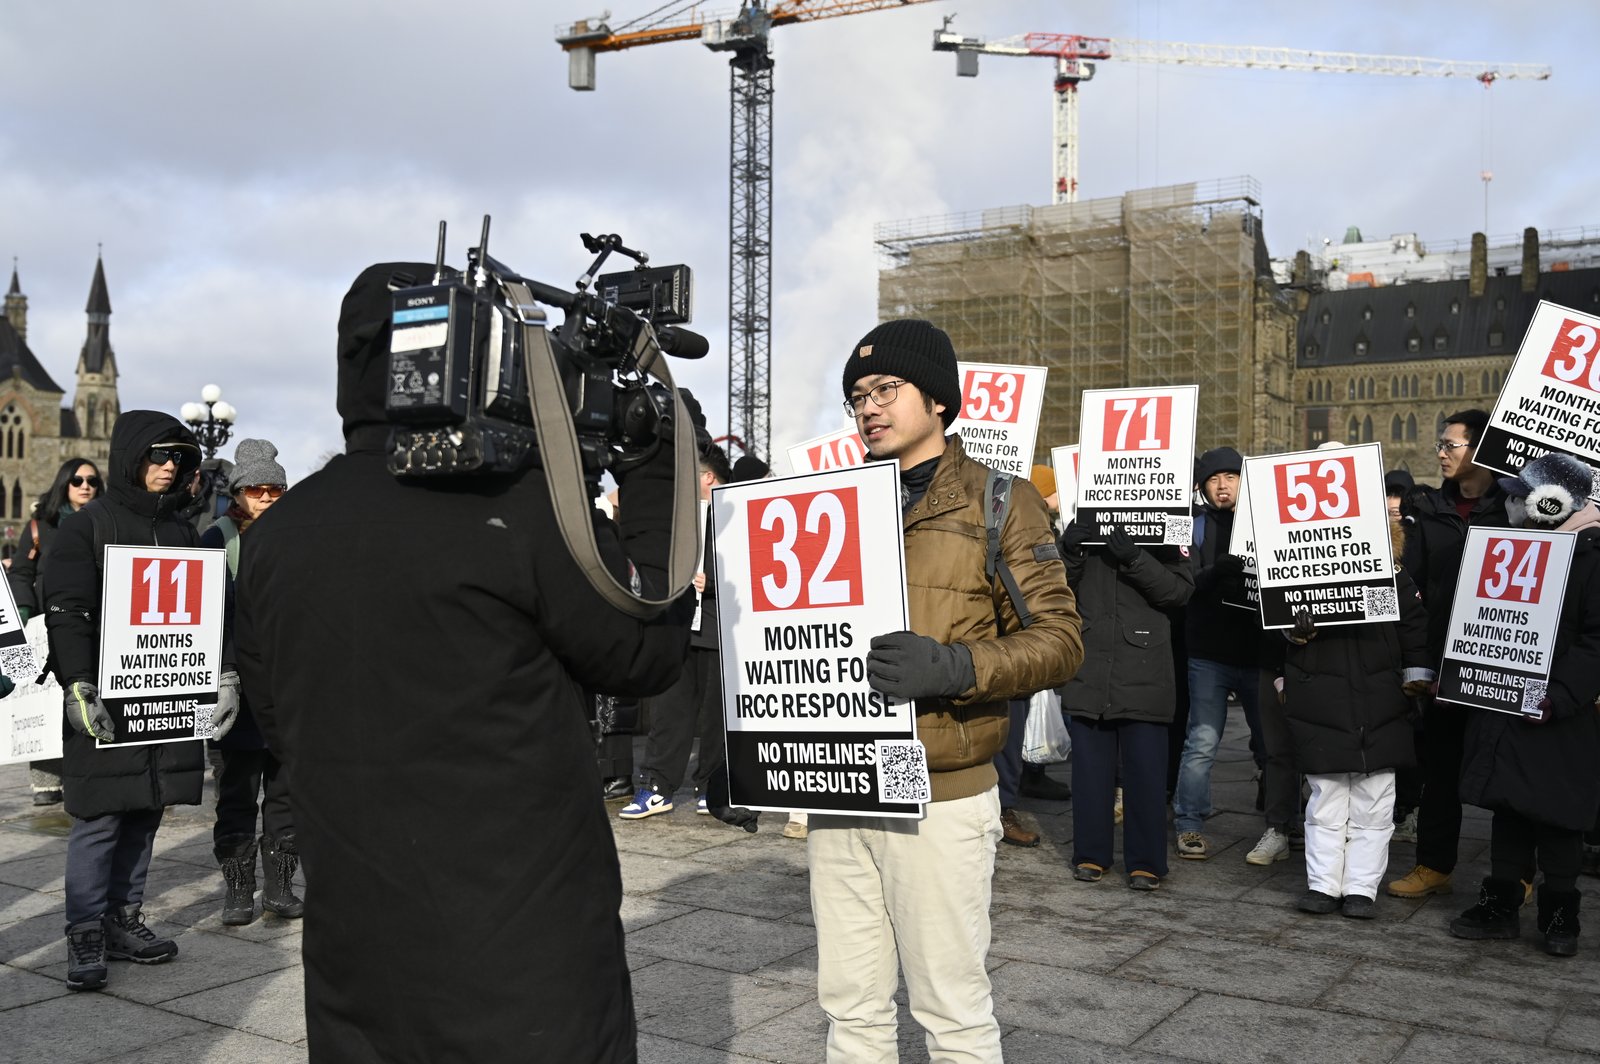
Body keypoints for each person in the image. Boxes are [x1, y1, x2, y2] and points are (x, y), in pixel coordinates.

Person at [234, 262, 694, 1062]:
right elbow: (643, 650)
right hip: (523, 969)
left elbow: (277, 721)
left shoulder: (275, 535)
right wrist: (654, 472)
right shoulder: (517, 508)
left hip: (359, 963)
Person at [816, 318, 1083, 1061]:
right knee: (850, 1007)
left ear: (937, 400)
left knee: (951, 1009)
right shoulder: (832, 504)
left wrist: (957, 668)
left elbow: (1061, 641)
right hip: (841, 781)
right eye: (856, 396)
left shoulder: (1000, 500)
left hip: (942, 786)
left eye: (885, 389)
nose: (867, 406)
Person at [43, 413, 205, 991]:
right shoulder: (87, 525)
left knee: (147, 807)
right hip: (107, 698)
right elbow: (66, 612)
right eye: (160, 456)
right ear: (131, 456)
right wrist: (79, 684)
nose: (170, 467)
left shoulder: (186, 531)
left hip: (167, 691)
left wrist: (224, 675)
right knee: (101, 815)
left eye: (182, 459)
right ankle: (84, 930)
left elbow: (209, 617)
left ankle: (122, 919)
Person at [1450, 452, 1600, 956]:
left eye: (1521, 495)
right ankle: (1500, 906)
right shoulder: (1516, 546)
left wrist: (1555, 697)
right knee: (1509, 807)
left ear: (1550, 501)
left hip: (1558, 712)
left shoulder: (1592, 555)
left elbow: (1597, 642)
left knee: (1557, 815)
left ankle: (1561, 916)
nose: (1511, 504)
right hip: (1505, 703)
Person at [1272, 515, 1431, 919]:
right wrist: (1295, 632)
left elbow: (1411, 629)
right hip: (1321, 699)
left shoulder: (1391, 575)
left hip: (1380, 701)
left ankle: (1361, 887)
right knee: (1325, 798)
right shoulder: (1298, 564)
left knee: (1374, 801)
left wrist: (1415, 682)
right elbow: (1274, 626)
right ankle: (1323, 885)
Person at [1389, 410, 1512, 899]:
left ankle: (1513, 873)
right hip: (1443, 659)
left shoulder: (1516, 508)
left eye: (1451, 445)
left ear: (1480, 451)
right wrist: (1417, 659)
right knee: (1440, 768)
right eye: (1441, 445)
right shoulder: (1430, 509)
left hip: (1499, 656)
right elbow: (1413, 586)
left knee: (1506, 768)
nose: (1440, 452)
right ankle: (1433, 864)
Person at [1059, 515, 1194, 888]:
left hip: (1145, 669)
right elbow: (1053, 590)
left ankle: (1146, 862)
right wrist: (1069, 551)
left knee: (1146, 772)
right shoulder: (1082, 523)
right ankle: (1090, 854)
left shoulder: (1173, 521)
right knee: (1089, 773)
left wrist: (1135, 557)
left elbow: (1179, 592)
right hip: (1090, 667)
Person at [200, 438, 300, 926]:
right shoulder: (215, 541)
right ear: (238, 493)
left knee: (287, 791)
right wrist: (224, 675)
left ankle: (281, 887)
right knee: (237, 792)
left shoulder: (301, 536)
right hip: (236, 686)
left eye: (275, 489)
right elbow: (205, 620)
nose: (265, 497)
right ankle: (239, 891)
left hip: (289, 687)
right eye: (256, 489)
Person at [618, 438, 732, 820]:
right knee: (670, 711)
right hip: (680, 624)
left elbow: (758, 571)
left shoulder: (737, 514)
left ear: (709, 477)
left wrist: (711, 584)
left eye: (692, 474)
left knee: (717, 715)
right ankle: (656, 787)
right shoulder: (674, 516)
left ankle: (713, 787)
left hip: (720, 626)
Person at [1171, 446, 1271, 861]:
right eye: (1214, 479)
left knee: (1270, 745)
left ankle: (1282, 823)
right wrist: (1215, 574)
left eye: (1231, 476)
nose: (1223, 485)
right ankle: (1190, 822)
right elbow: (1185, 580)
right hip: (1209, 651)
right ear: (1203, 487)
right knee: (1203, 742)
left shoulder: (1266, 521)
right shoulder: (1193, 525)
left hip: (1258, 652)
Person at [9, 456, 102, 806]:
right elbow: (20, 571)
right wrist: (25, 611)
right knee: (47, 700)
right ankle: (47, 779)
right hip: (48, 623)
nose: (85, 486)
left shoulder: (104, 522)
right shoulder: (41, 525)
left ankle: (85, 773)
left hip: (92, 623)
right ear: (64, 483)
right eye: (77, 480)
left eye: (92, 481)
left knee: (84, 695)